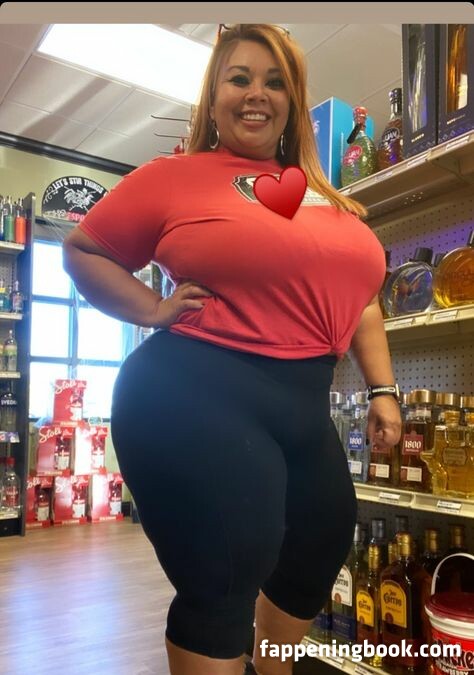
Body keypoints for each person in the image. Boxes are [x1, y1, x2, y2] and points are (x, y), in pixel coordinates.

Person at [63, 23, 401, 675]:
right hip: (196, 389)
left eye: (275, 82)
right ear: (213, 95)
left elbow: (362, 297)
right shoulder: (174, 177)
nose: (256, 93)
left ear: (293, 101)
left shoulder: (326, 197)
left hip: (304, 402)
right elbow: (85, 250)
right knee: (227, 566)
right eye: (238, 78)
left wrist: (382, 389)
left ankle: (270, 668)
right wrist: (152, 309)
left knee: (320, 543)